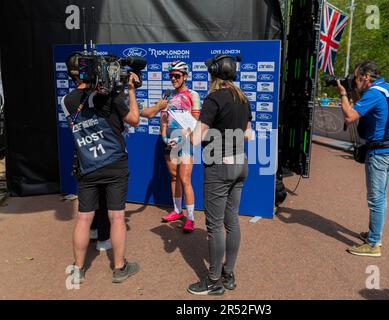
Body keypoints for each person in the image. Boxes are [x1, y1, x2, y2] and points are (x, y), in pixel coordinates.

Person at [62, 52, 167, 284]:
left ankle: (78, 270)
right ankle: (119, 268)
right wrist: (130, 90)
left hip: (87, 165)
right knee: (117, 217)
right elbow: (134, 119)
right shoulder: (108, 97)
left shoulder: (67, 101)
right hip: (114, 163)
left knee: (83, 218)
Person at [187, 55, 252, 295]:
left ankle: (213, 281)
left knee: (215, 225)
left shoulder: (213, 98)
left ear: (214, 73)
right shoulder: (243, 99)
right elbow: (248, 134)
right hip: (241, 164)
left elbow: (196, 138)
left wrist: (190, 129)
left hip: (219, 166)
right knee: (231, 220)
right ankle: (228, 274)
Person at [337, 60, 389, 257]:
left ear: (366, 77)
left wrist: (343, 93)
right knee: (381, 196)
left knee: (376, 199)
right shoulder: (388, 88)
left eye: (357, 78)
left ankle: (374, 244)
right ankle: (374, 234)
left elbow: (349, 116)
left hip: (380, 152)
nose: (355, 82)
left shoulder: (373, 93)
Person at [159, 61, 201, 232]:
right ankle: (177, 211)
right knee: (174, 177)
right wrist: (163, 136)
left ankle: (190, 218)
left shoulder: (193, 94)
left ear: (185, 76)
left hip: (185, 142)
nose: (173, 79)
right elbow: (163, 119)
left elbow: (196, 121)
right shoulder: (167, 94)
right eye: (171, 76)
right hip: (170, 141)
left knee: (185, 179)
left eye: (177, 76)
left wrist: (183, 136)